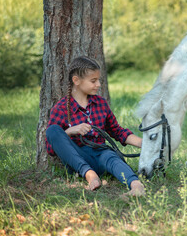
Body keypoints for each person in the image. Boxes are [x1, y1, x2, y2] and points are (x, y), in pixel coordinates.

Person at [45, 56, 145, 196]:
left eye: (99, 80)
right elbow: (51, 147)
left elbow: (117, 131)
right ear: (76, 80)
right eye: (93, 81)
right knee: (53, 130)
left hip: (101, 153)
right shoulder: (61, 108)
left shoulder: (101, 103)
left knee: (111, 157)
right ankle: (90, 175)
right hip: (78, 159)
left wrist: (144, 144)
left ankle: (136, 185)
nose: (98, 84)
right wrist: (70, 131)